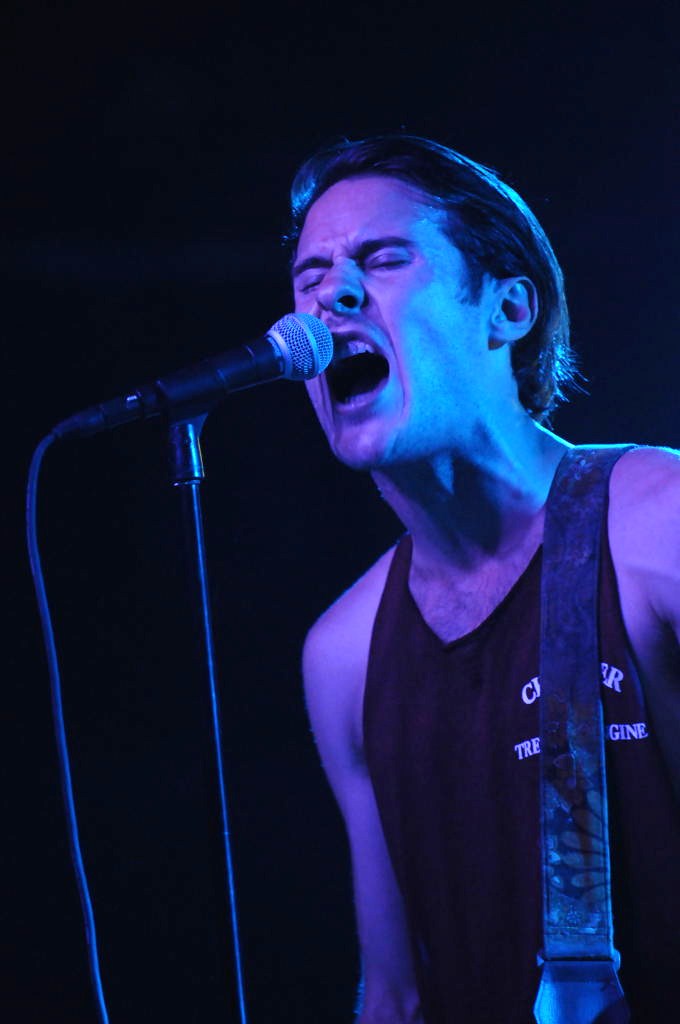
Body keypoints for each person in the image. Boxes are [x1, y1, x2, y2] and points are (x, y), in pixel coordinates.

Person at [287, 134, 680, 1022]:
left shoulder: (660, 526)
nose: (330, 296)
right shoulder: (343, 655)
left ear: (506, 310)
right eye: (310, 276)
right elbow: (395, 992)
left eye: (381, 259)